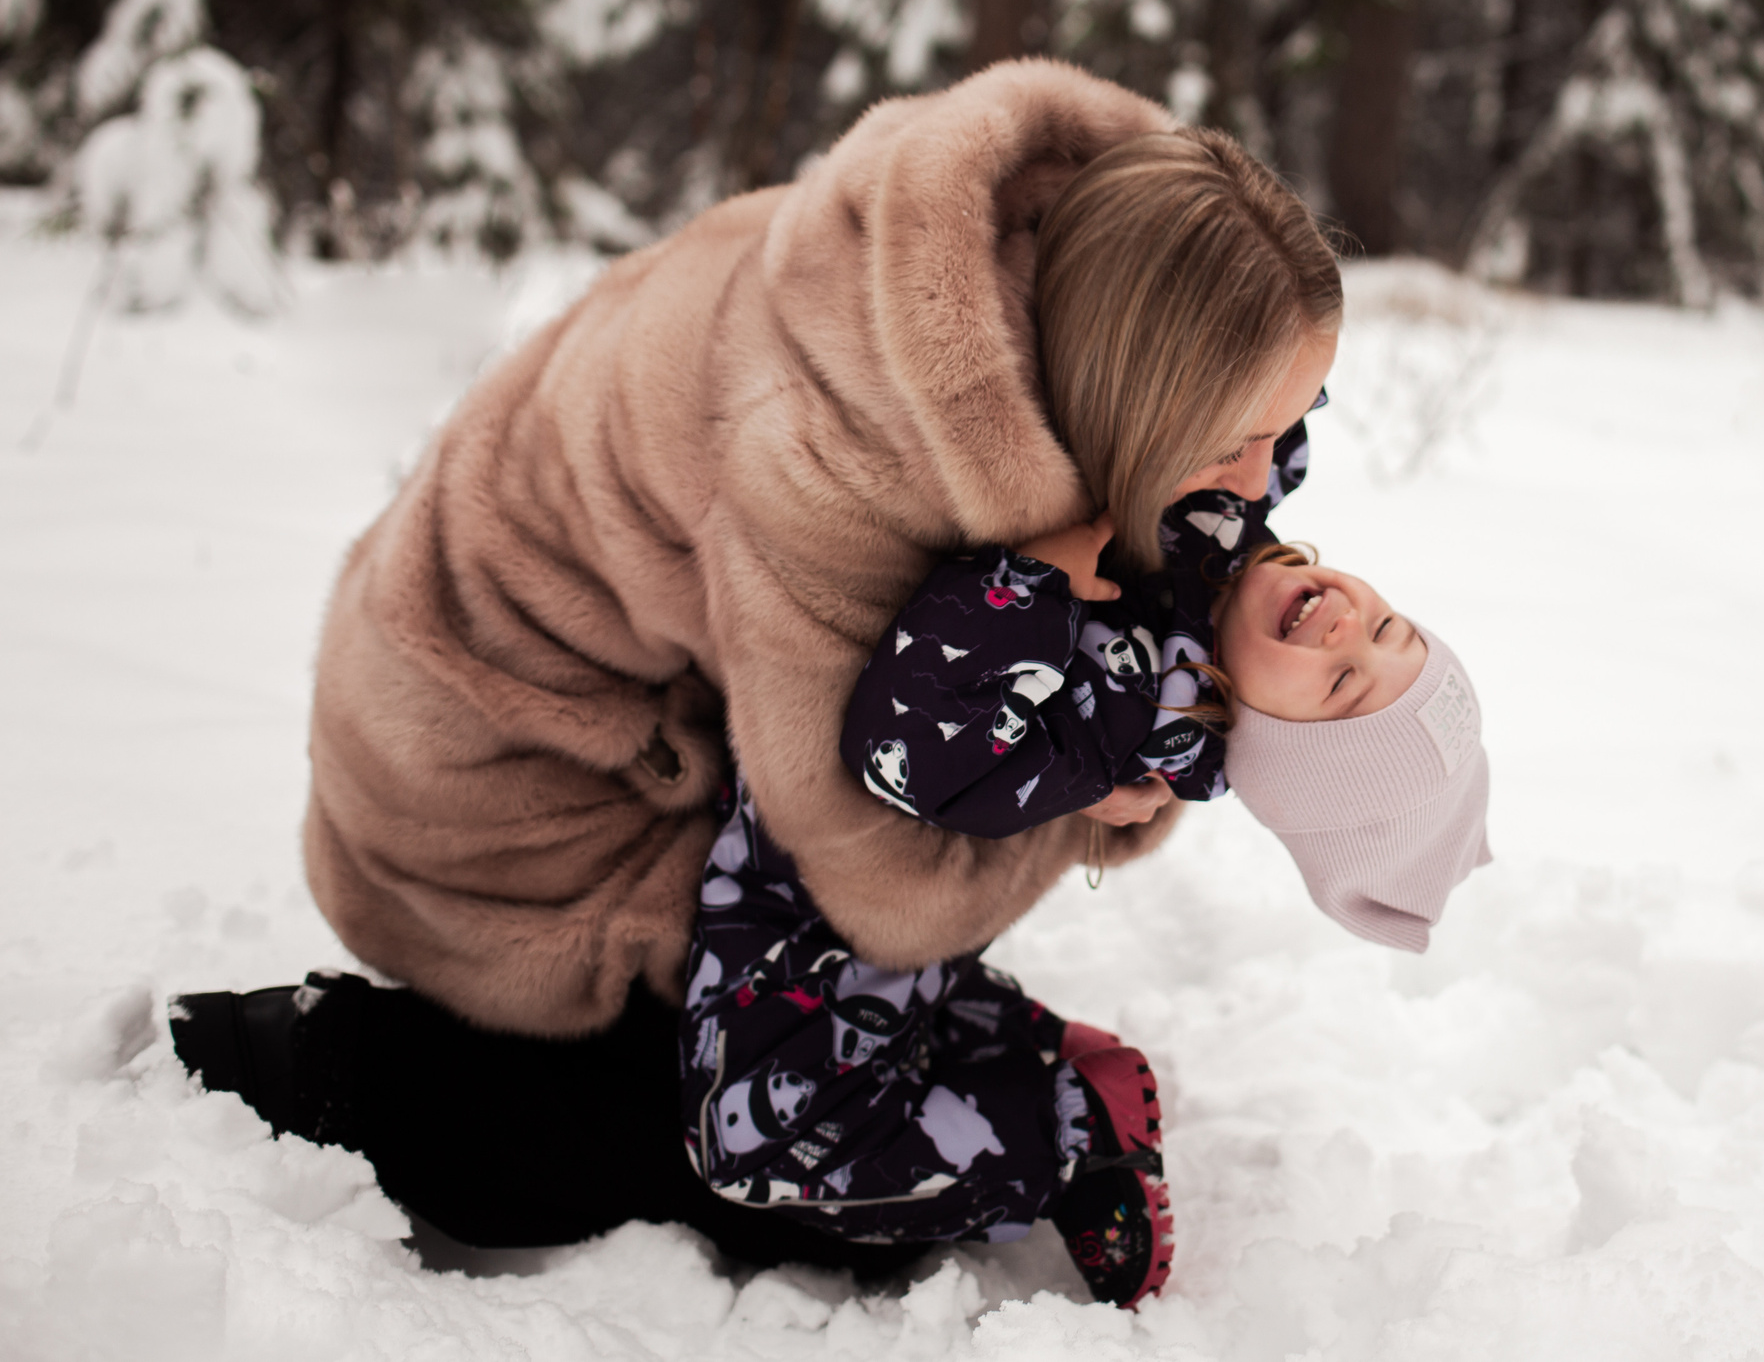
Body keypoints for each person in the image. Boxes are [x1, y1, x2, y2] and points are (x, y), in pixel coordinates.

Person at [169, 66, 1343, 1280]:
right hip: (492, 782)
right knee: (734, 1157)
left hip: (645, 704)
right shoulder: (843, 453)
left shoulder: (1080, 269)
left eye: (1289, 425)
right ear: (1132, 386)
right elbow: (878, 868)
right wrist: (1087, 779)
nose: (1260, 484)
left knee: (809, 1042)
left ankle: (981, 1064)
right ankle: (337, 1064)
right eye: (1234, 442)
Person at [678, 538, 1491, 1306]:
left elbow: (906, 748)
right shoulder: (1212, 558)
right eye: (1389, 626)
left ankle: (1067, 1138)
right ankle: (1012, 1037)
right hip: (813, 868)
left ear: (1274, 743)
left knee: (750, 1147)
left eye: (1343, 681)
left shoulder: (1121, 717)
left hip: (827, 904)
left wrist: (1026, 579)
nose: (1351, 625)